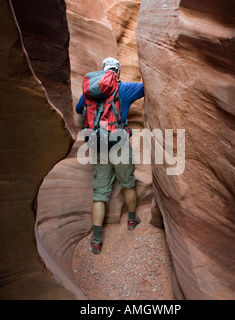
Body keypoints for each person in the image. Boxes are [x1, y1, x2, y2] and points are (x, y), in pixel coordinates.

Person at [76, 57, 145, 254]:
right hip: (119, 143)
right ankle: (132, 220)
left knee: (99, 194)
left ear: (103, 71)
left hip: (98, 145)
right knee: (128, 184)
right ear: (118, 73)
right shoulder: (124, 88)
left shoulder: (90, 90)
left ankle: (96, 240)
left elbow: (78, 109)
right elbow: (147, 87)